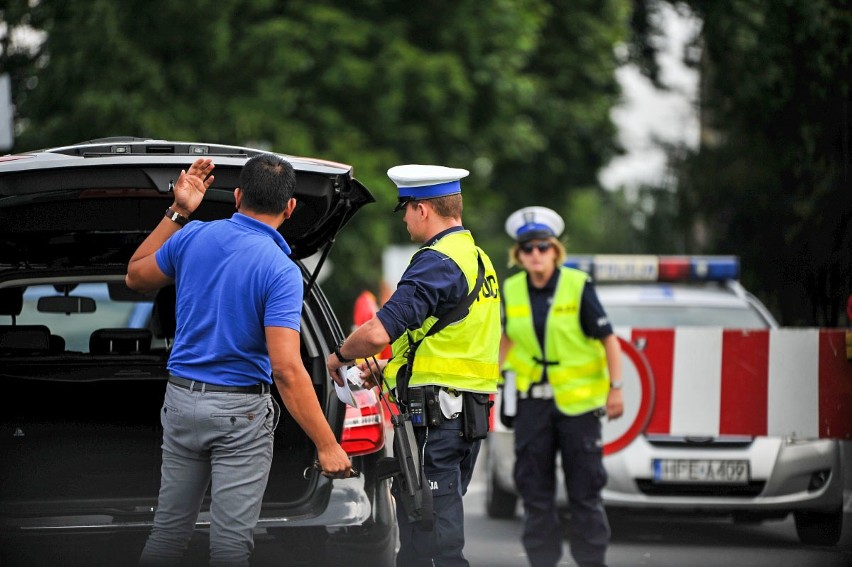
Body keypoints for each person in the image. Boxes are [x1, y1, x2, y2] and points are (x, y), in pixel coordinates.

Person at [125, 154, 352, 567]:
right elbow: (285, 368)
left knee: (168, 533)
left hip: (180, 401)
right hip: (238, 415)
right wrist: (327, 444)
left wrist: (179, 210)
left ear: (236, 196)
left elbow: (135, 276)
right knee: (229, 547)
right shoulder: (280, 270)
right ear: (290, 207)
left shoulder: (193, 236)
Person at [325, 164, 502, 567]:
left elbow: (376, 333)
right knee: (424, 536)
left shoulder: (438, 261)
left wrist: (339, 355)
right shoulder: (477, 258)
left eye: (405, 209)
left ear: (423, 209)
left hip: (438, 421)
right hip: (464, 415)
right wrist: (385, 371)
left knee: (437, 544)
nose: (404, 219)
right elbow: (441, 337)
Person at [500, 206, 624, 567]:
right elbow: (507, 340)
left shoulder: (577, 285)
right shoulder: (511, 289)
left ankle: (591, 561)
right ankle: (542, 561)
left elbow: (608, 340)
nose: (535, 254)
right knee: (534, 492)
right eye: (527, 248)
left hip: (579, 407)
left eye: (542, 246)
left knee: (585, 492)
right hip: (531, 405)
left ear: (555, 250)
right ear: (518, 255)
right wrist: (492, 381)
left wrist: (615, 388)